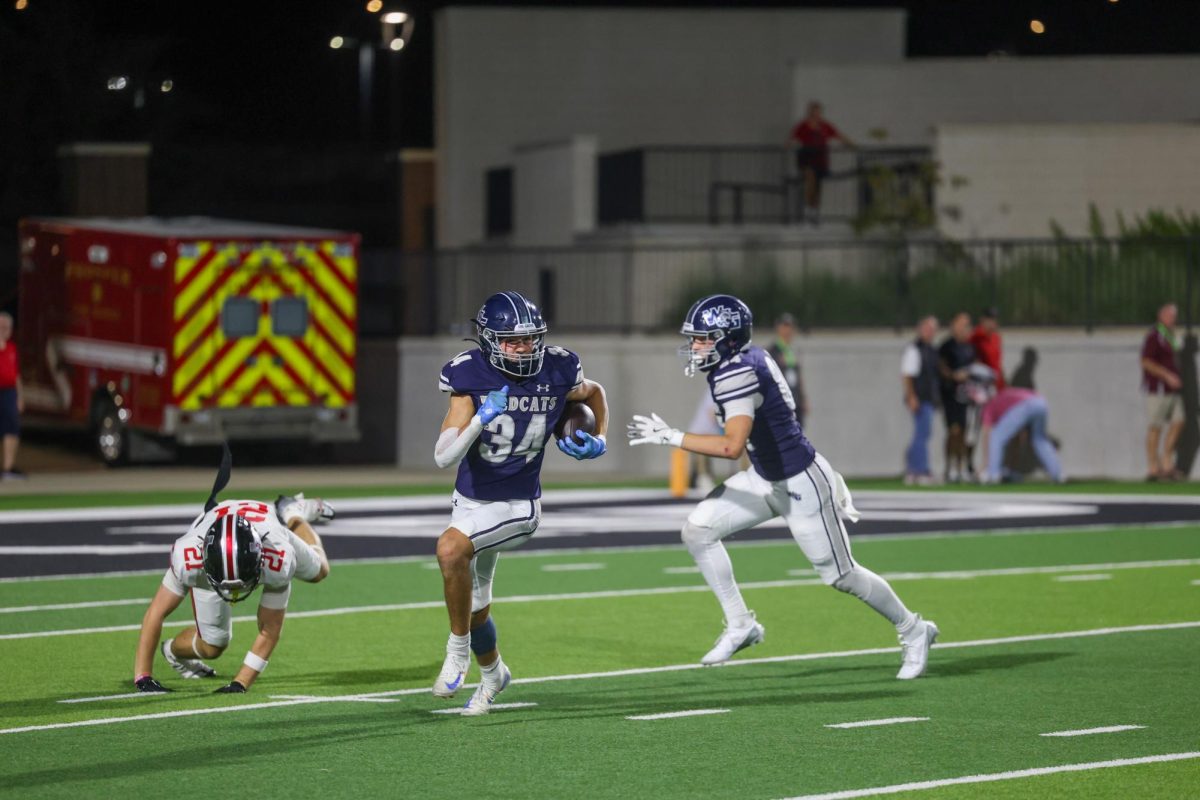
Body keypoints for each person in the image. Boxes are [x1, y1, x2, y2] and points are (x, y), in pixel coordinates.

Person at [628, 294, 938, 680]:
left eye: (703, 338)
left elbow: (730, 446)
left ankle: (913, 629)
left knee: (842, 575)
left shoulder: (736, 372)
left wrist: (672, 436)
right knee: (698, 530)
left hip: (800, 482)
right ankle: (741, 623)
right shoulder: (744, 359)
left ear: (727, 338)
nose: (694, 346)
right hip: (764, 477)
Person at [433, 290, 609, 715]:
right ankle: (494, 674)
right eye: (513, 341)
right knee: (474, 607)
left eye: (530, 339)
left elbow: (594, 392)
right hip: (470, 501)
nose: (525, 348)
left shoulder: (559, 367)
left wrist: (599, 437)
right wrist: (479, 419)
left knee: (449, 548)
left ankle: (456, 653)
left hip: (517, 505)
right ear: (490, 341)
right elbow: (443, 457)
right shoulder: (469, 375)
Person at [133, 449, 333, 693]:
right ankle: (173, 651)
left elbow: (269, 629)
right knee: (212, 646)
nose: (234, 591)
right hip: (217, 536)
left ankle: (293, 511)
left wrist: (240, 683)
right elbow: (156, 613)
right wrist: (143, 677)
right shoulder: (189, 558)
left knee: (320, 570)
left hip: (267, 526)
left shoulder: (277, 558)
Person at [787, 101, 854, 225]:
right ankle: (808, 209)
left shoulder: (824, 126)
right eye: (813, 112)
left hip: (821, 160)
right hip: (807, 159)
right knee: (810, 177)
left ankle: (813, 212)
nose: (815, 115)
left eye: (817, 112)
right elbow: (792, 139)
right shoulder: (803, 126)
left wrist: (852, 145)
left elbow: (839, 136)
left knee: (817, 187)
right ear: (809, 113)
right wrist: (788, 146)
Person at [979, 387, 1063, 484]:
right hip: (1041, 403)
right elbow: (1019, 433)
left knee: (996, 437)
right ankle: (1057, 474)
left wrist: (985, 463)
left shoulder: (990, 406)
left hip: (1026, 405)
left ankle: (993, 474)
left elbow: (987, 434)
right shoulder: (1004, 397)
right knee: (1039, 439)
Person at [1141, 302, 1185, 481]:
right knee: (1156, 426)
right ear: (1162, 316)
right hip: (1158, 389)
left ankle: (1167, 461)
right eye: (1170, 315)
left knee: (1179, 421)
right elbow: (1146, 361)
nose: (1173, 319)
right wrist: (1167, 376)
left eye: (1174, 316)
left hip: (1173, 390)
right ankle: (1153, 467)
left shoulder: (1170, 336)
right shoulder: (1155, 336)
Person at [900, 315, 940, 485]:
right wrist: (911, 396)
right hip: (919, 398)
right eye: (928, 328)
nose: (930, 332)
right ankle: (919, 469)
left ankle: (914, 468)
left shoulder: (930, 350)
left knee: (923, 434)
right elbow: (907, 375)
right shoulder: (914, 349)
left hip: (928, 398)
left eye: (933, 329)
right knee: (921, 434)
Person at [938, 312, 976, 483]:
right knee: (953, 430)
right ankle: (949, 467)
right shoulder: (946, 346)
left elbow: (974, 367)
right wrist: (954, 376)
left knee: (964, 432)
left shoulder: (969, 348)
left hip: (965, 394)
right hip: (949, 393)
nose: (965, 328)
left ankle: (961, 467)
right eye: (962, 324)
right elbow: (940, 367)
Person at [766, 312, 809, 429]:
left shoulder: (793, 350)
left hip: (795, 401)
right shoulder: (772, 351)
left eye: (790, 327)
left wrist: (803, 398)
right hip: (781, 402)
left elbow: (797, 376)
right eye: (784, 326)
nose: (787, 330)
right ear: (778, 328)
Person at [0, 312, 24, 481]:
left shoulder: (12, 348)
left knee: (12, 429)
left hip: (9, 392)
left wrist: (20, 396)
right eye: (1, 327)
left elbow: (16, 375)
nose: (5, 330)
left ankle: (8, 468)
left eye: (7, 327)